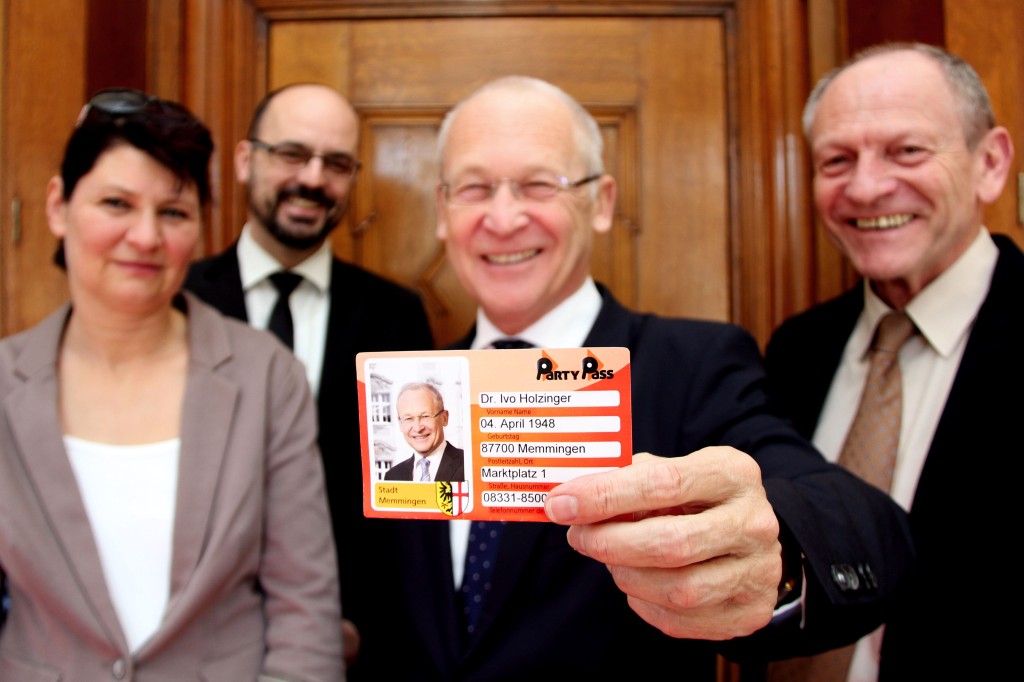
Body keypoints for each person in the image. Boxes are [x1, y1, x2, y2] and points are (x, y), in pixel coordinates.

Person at [350, 75, 916, 680]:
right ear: (443, 211)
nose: (504, 216)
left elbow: (863, 530)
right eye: (474, 188)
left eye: (540, 184)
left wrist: (778, 557)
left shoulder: (695, 364)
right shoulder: (406, 392)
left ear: (601, 202)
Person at [0, 88, 342, 680]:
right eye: (116, 203)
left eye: (174, 212)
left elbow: (303, 606)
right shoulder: (6, 382)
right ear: (59, 205)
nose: (146, 237)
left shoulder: (266, 375)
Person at [754, 42, 1019, 681]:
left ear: (990, 163)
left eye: (907, 151)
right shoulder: (795, 349)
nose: (867, 188)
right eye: (838, 160)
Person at [184, 83, 434, 669]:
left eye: (337, 164)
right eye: (292, 154)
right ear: (246, 160)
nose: (314, 179)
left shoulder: (397, 317)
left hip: (354, 648)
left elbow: (417, 502)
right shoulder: (177, 303)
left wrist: (360, 628)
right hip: (192, 647)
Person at [385, 382, 465, 482]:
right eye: (408, 418)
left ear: (444, 418)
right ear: (400, 424)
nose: (418, 428)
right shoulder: (393, 476)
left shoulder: (469, 465)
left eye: (425, 416)